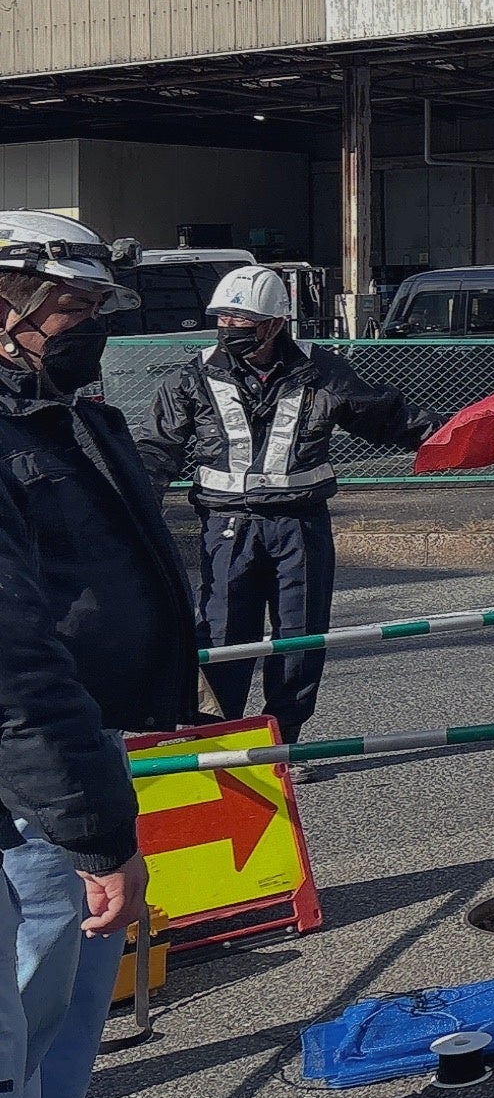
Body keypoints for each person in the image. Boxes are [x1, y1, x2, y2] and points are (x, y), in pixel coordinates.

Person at [0, 213, 174, 1098]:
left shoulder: (69, 418)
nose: (89, 329)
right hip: (31, 760)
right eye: (70, 308)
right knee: (26, 993)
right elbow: (14, 657)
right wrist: (92, 830)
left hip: (77, 739)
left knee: (65, 991)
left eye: (97, 309)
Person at [138, 264, 433, 741]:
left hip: (300, 525)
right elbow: (156, 449)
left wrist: (459, 437)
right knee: (221, 638)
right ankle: (218, 747)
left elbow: (387, 417)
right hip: (227, 527)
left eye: (242, 320)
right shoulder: (193, 376)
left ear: (275, 324)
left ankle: (283, 745)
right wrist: (133, 507)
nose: (228, 328)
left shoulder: (322, 371)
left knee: (300, 639)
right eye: (222, 319)